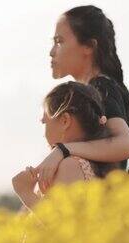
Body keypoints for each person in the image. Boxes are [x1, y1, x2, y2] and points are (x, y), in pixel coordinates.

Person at [36, 5, 129, 194]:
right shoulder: (94, 90)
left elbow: (125, 145)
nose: (52, 51)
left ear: (89, 46)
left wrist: (63, 150)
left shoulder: (101, 88)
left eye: (59, 41)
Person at [12, 81, 117, 213]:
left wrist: (25, 193)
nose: (43, 133)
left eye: (45, 122)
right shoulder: (88, 163)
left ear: (64, 121)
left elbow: (61, 228)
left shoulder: (70, 165)